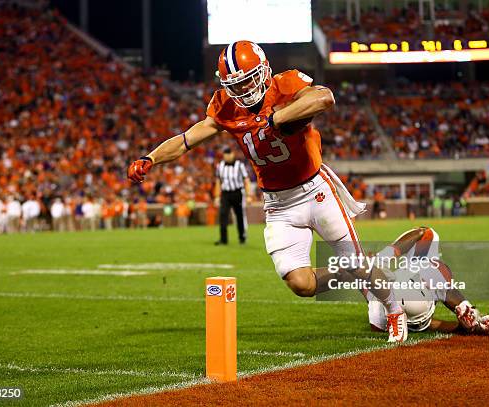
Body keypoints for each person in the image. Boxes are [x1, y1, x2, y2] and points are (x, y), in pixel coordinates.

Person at [128, 40, 408, 342]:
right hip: (278, 204)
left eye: (249, 79)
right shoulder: (224, 106)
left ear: (263, 72)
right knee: (302, 284)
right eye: (237, 84)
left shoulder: (284, 84)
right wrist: (151, 157)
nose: (245, 89)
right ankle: (358, 273)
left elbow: (324, 98)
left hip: (315, 189)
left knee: (354, 261)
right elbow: (186, 139)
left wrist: (278, 117)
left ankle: (394, 310)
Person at [367, 227, 489, 335]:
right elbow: (430, 324)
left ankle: (383, 257)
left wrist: (380, 258)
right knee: (439, 271)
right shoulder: (381, 319)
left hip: (404, 277)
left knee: (428, 236)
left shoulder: (378, 315)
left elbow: (424, 321)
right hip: (406, 283)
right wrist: (468, 323)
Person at [214, 147, 252, 245]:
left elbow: (246, 180)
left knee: (239, 216)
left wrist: (248, 195)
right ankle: (223, 239)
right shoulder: (220, 165)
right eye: (225, 155)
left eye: (228, 154)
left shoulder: (240, 165)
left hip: (237, 193)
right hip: (225, 194)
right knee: (223, 215)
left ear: (232, 154)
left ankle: (242, 237)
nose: (226, 157)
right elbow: (218, 181)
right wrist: (217, 196)